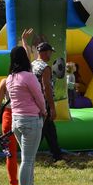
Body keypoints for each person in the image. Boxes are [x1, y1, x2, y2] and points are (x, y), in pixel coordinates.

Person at [5, 45, 47, 185]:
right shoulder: (29, 77)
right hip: (31, 120)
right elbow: (39, 96)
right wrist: (44, 111)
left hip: (16, 121)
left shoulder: (9, 78)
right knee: (27, 160)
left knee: (28, 158)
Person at [26, 32, 65, 162]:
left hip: (34, 103)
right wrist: (52, 108)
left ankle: (57, 155)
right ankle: (31, 156)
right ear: (45, 52)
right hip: (44, 104)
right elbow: (46, 88)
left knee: (49, 130)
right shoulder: (45, 67)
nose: (50, 55)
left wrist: (24, 41)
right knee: (44, 131)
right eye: (50, 52)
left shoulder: (33, 64)